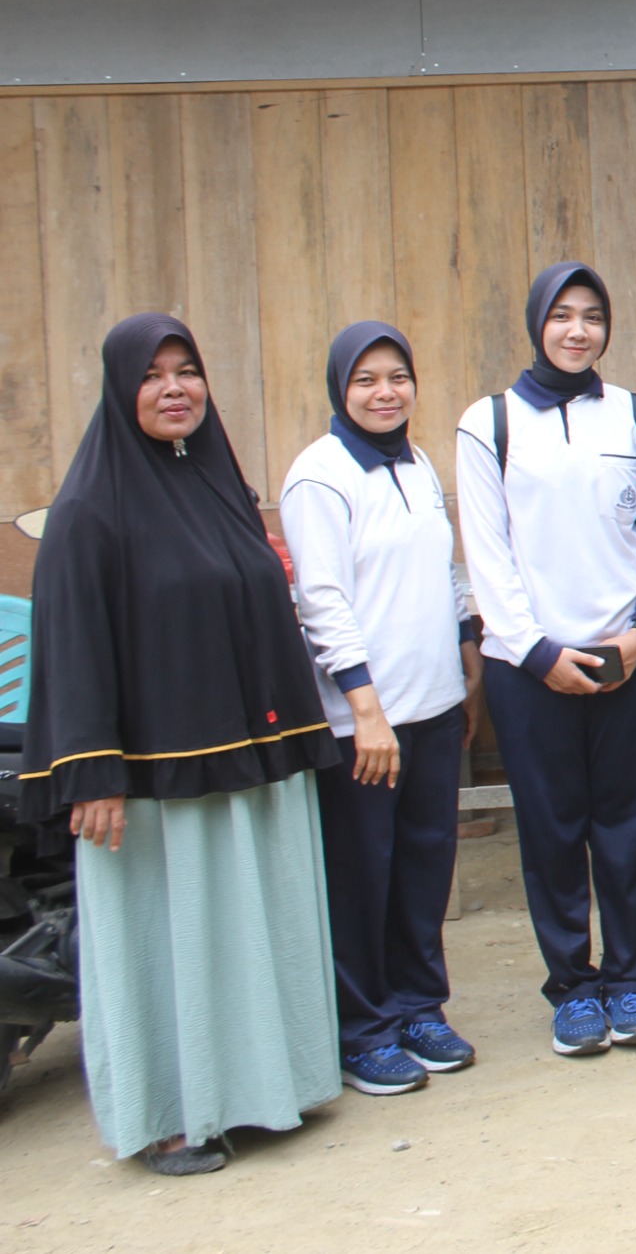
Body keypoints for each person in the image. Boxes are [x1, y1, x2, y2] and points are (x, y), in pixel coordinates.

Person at [18, 314, 340, 1174]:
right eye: (153, 374)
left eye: (187, 370)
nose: (174, 389)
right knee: (165, 947)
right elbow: (75, 646)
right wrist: (93, 773)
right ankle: (169, 1116)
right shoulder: (91, 510)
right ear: (121, 390)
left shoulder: (217, 486)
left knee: (240, 931)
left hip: (244, 762)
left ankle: (264, 1089)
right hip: (151, 791)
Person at [457, 262, 636, 1059]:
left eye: (591, 316)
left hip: (630, 657)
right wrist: (537, 652)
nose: (577, 331)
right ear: (535, 324)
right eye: (562, 316)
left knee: (627, 823)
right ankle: (573, 989)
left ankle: (632, 982)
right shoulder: (489, 424)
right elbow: (488, 557)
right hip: (529, 667)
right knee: (552, 829)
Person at [281, 322, 484, 1096]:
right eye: (366, 379)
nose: (384, 392)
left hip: (432, 707)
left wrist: (468, 663)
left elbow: (447, 568)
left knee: (425, 866)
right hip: (363, 722)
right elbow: (321, 601)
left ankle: (418, 1006)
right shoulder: (320, 475)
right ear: (340, 388)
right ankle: (363, 1027)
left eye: (397, 376)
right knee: (363, 874)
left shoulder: (418, 462)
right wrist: (365, 710)